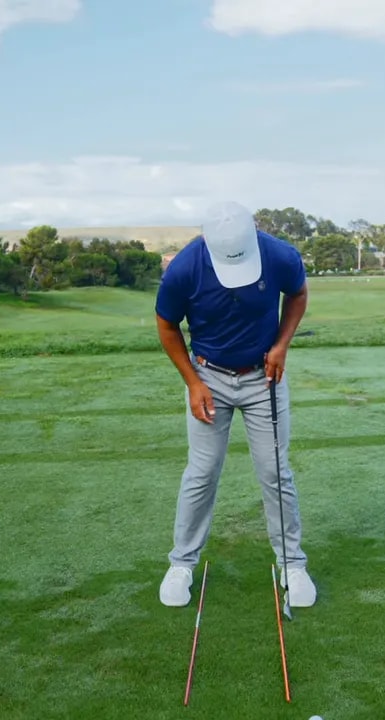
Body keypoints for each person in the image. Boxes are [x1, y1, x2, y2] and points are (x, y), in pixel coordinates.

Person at [153, 200, 316, 609]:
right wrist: (192, 381)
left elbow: (297, 294)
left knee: (275, 471)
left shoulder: (279, 255)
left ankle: (292, 563)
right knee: (202, 472)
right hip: (208, 375)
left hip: (264, 375)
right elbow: (167, 326)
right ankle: (181, 563)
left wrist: (281, 345)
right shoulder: (186, 267)